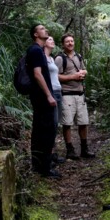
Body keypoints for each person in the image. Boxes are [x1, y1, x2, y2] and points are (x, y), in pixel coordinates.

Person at [26, 24, 60, 178]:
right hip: (42, 98)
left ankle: (39, 166)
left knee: (40, 131)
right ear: (35, 34)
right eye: (42, 28)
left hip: (40, 97)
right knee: (46, 132)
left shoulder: (37, 50)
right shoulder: (35, 50)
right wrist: (48, 95)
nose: (46, 30)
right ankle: (45, 168)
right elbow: (37, 74)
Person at [56, 33, 95, 159]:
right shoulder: (60, 58)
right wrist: (73, 76)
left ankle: (84, 149)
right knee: (67, 123)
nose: (70, 43)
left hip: (80, 94)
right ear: (63, 44)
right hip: (67, 94)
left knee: (83, 122)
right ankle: (70, 150)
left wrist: (84, 72)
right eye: (67, 41)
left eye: (72, 41)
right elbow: (55, 76)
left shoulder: (78, 56)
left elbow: (84, 70)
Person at [44, 36, 66, 166]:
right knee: (50, 125)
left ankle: (52, 153)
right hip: (51, 92)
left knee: (55, 124)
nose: (52, 41)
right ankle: (48, 155)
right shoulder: (42, 58)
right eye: (50, 39)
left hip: (58, 92)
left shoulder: (51, 58)